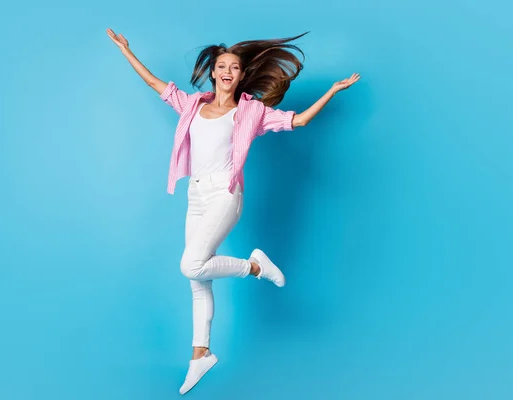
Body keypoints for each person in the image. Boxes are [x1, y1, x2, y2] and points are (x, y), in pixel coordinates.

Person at [106, 28, 360, 395]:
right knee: (198, 279)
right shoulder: (192, 105)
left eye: (234, 67)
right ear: (213, 72)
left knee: (190, 264)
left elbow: (298, 121)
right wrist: (126, 50)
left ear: (241, 76)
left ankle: (255, 267)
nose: (227, 71)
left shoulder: (251, 113)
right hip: (196, 196)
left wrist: (333, 91)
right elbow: (153, 84)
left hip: (226, 194)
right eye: (221, 65)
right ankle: (200, 356)